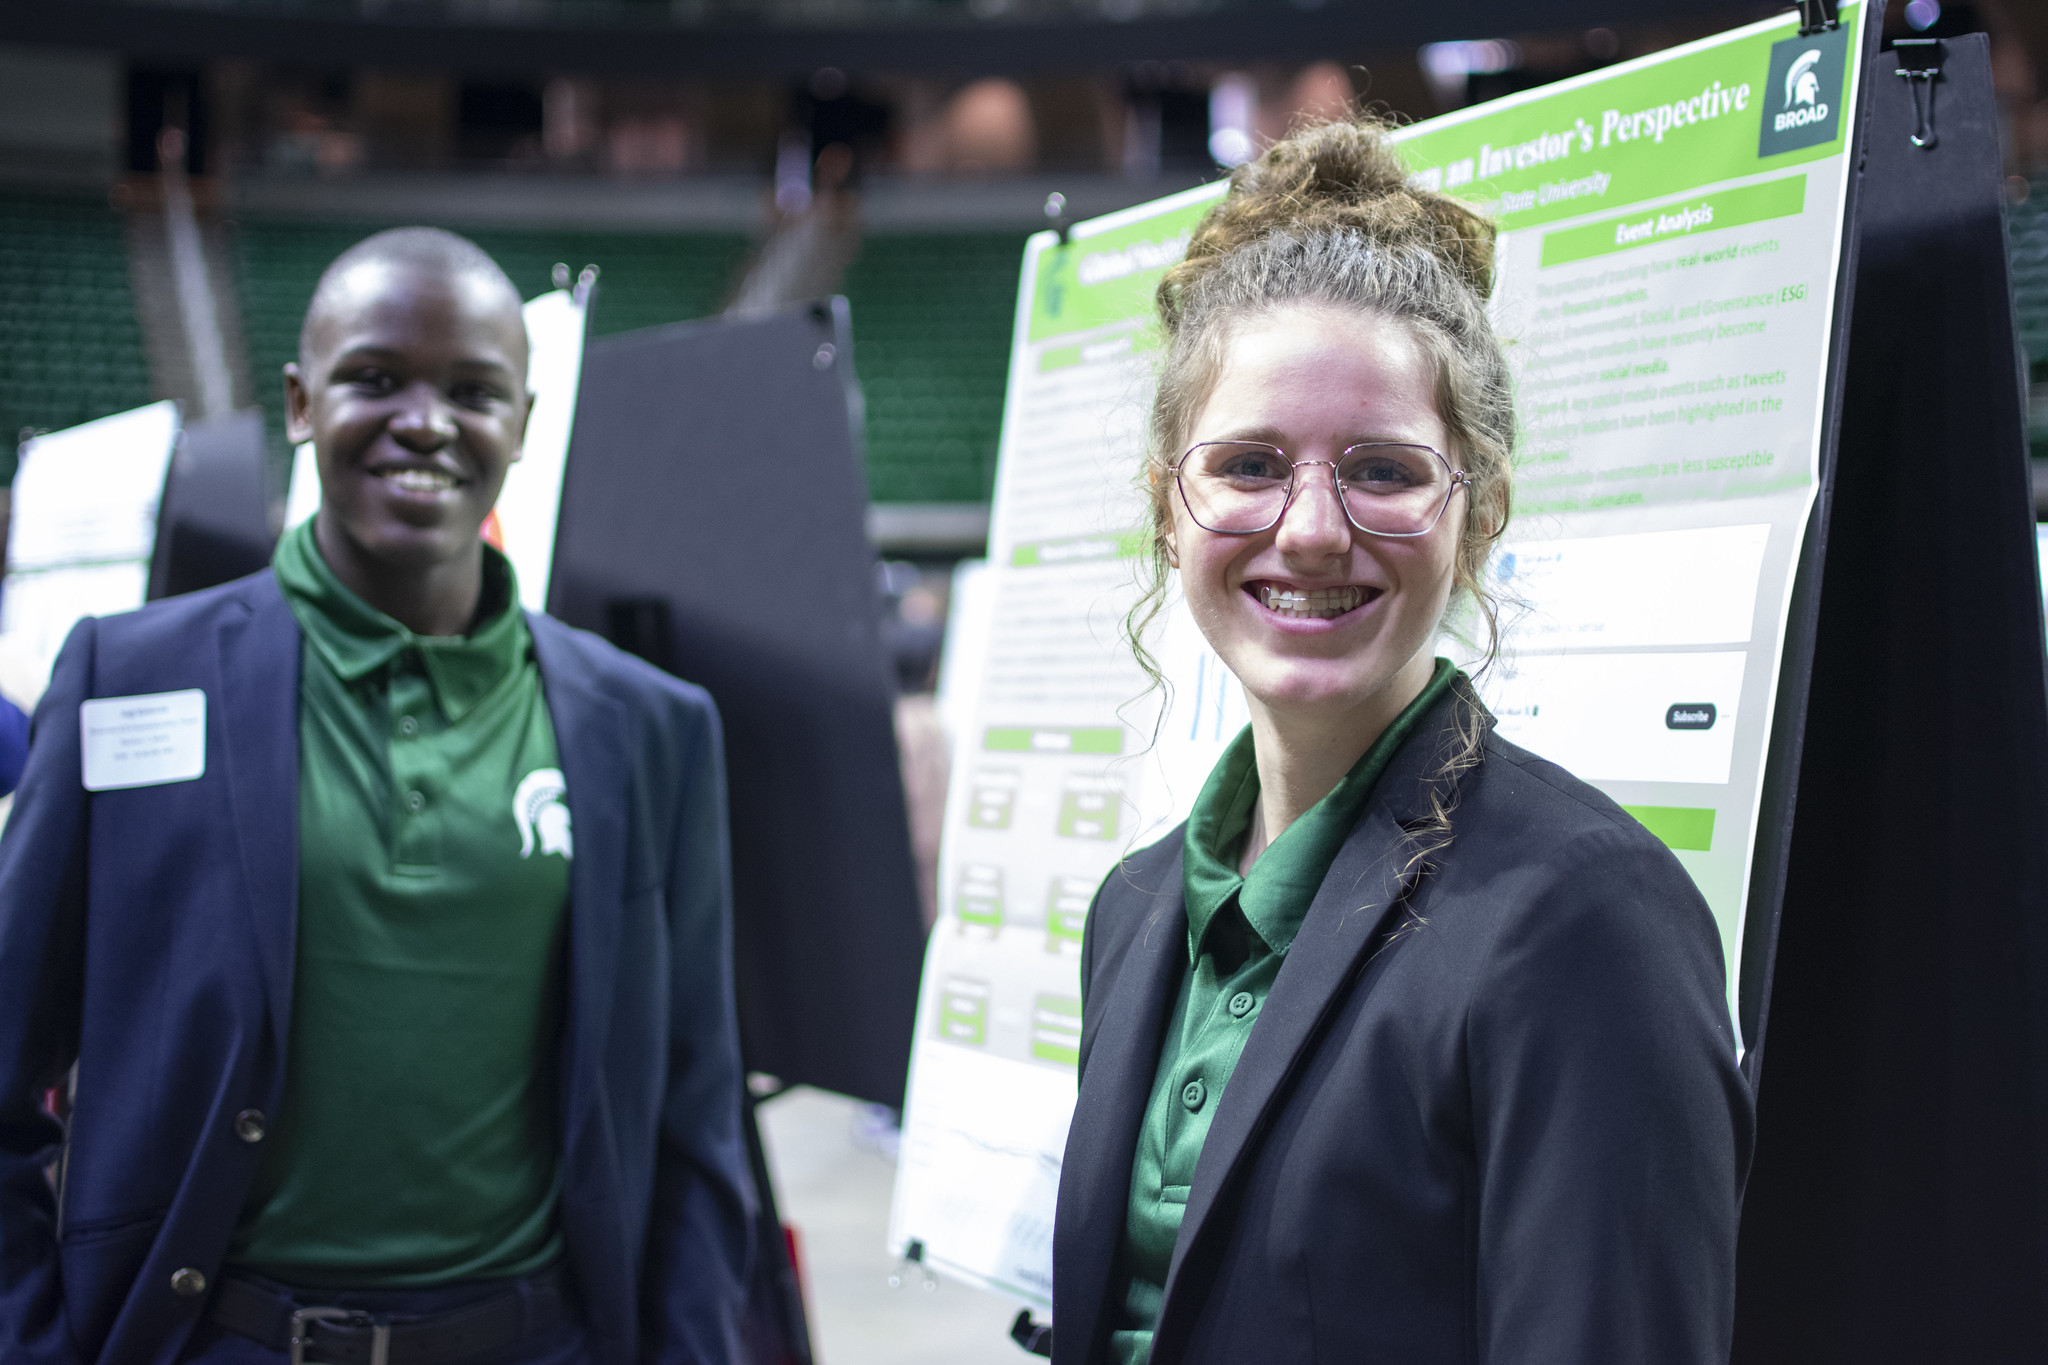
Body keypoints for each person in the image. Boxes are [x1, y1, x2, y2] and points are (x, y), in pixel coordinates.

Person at [1050, 121, 1753, 1364]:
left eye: (1381, 470)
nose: (1311, 528)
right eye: (1249, 464)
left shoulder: (1585, 918)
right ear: (1169, 508)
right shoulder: (1137, 905)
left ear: (1474, 514)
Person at [0, 228, 753, 1365]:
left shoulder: (649, 725)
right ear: (302, 401)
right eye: (374, 378)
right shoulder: (128, 677)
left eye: (472, 391)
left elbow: (694, 1121)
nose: (424, 421)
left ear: (524, 426)